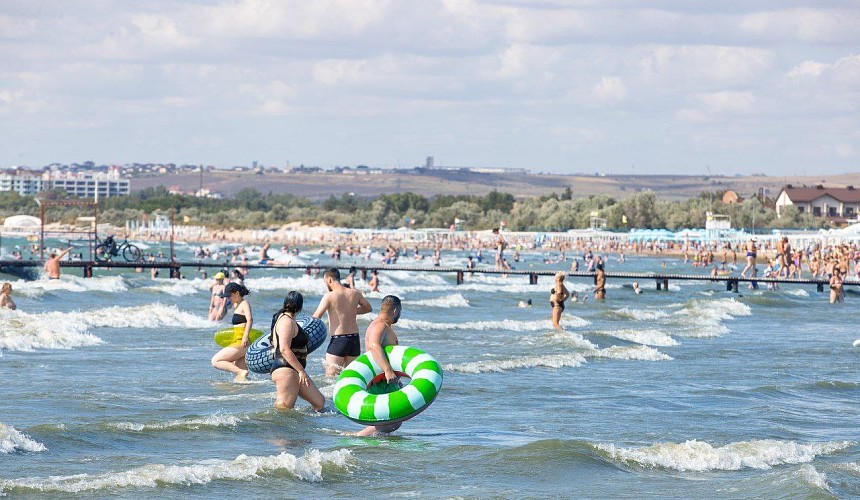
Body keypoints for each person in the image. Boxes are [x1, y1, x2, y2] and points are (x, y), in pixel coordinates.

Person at [356, 295, 404, 437]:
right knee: (393, 420)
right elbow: (374, 346)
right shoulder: (380, 325)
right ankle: (359, 436)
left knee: (391, 420)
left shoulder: (379, 324)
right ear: (395, 311)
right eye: (400, 312)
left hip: (384, 380)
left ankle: (374, 445)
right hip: (381, 381)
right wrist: (388, 370)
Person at [312, 268, 373, 378]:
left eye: (325, 281)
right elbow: (368, 308)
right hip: (354, 340)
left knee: (331, 379)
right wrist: (353, 311)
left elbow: (316, 317)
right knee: (350, 377)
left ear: (329, 279)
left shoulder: (329, 296)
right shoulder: (355, 293)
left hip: (338, 341)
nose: (325, 284)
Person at [270, 291, 325, 410]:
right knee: (284, 410)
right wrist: (301, 370)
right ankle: (272, 428)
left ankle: (305, 427)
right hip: (287, 370)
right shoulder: (286, 322)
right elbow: (284, 349)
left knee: (319, 402)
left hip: (294, 370)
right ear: (300, 306)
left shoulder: (288, 320)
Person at [210, 282, 253, 382]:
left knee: (215, 361)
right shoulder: (236, 305)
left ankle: (240, 372)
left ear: (237, 293)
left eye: (229, 296)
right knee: (241, 381)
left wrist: (245, 337)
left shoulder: (244, 304)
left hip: (241, 342)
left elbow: (250, 319)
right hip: (239, 341)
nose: (229, 298)